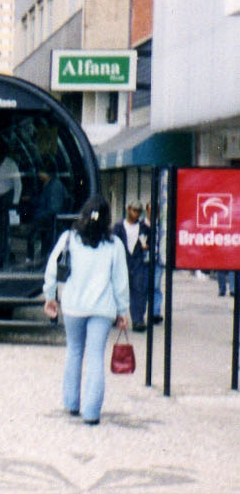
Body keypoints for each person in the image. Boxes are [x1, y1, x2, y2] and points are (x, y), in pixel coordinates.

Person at [43, 194, 130, 425]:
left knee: (74, 351)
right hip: (102, 308)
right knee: (95, 357)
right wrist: (123, 311)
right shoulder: (115, 245)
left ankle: (71, 403)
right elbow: (120, 282)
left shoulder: (69, 239)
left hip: (73, 305)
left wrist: (50, 297)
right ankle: (91, 413)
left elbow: (53, 268)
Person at [111, 202, 156, 330]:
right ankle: (115, 316)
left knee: (138, 290)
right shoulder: (119, 227)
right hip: (122, 261)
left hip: (138, 261)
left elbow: (151, 243)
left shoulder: (144, 228)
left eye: (139, 211)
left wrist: (147, 247)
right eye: (134, 210)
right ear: (128, 210)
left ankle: (138, 320)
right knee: (119, 288)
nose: (136, 213)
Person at [24, 167, 69, 267]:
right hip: (46, 216)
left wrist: (38, 216)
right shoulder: (48, 185)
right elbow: (42, 201)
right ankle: (36, 258)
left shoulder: (55, 186)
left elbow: (54, 208)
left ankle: (32, 258)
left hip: (50, 219)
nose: (39, 176)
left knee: (33, 233)